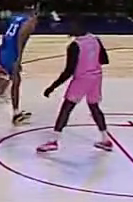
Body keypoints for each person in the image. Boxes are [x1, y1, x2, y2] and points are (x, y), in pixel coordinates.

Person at [38, 22, 112, 153]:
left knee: (66, 108)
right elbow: (105, 60)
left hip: (82, 79)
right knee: (94, 107)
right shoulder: (95, 39)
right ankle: (105, 139)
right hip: (96, 77)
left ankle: (53, 141)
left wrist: (52, 87)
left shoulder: (74, 46)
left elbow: (68, 71)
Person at [0, 5, 37, 125]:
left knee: (3, 86)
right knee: (13, 83)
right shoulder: (29, 22)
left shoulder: (16, 18)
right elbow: (20, 40)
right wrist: (18, 59)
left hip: (3, 50)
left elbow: (7, 34)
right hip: (11, 54)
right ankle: (16, 114)